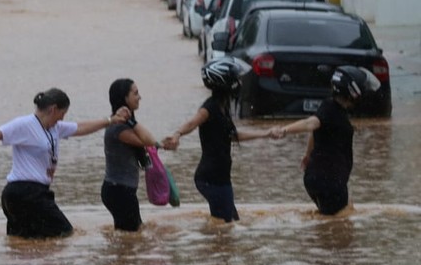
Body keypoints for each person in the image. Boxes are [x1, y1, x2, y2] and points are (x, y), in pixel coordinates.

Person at [0, 88, 128, 239]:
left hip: (30, 194)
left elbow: (81, 127)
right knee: (65, 233)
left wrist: (110, 120)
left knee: (27, 243)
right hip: (26, 193)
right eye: (62, 114)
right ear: (53, 109)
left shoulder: (55, 128)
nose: (62, 119)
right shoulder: (25, 124)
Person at [162, 58, 274, 223]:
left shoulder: (223, 107)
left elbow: (234, 135)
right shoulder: (209, 108)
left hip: (221, 178)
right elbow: (192, 122)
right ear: (225, 82)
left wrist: (265, 133)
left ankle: (215, 247)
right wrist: (177, 134)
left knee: (229, 223)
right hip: (211, 178)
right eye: (236, 79)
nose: (239, 83)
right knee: (225, 224)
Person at [270, 65, 380, 216]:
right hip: (330, 182)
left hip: (316, 178)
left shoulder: (329, 106)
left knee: (329, 222)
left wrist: (308, 155)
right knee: (341, 230)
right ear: (353, 92)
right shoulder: (330, 109)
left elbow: (315, 131)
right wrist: (284, 130)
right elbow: (311, 123)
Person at [101, 78, 166, 232]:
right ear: (125, 98)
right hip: (119, 191)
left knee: (130, 238)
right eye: (136, 93)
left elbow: (148, 142)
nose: (139, 97)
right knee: (131, 236)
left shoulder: (123, 126)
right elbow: (147, 141)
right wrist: (131, 121)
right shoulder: (119, 128)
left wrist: (162, 144)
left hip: (122, 190)